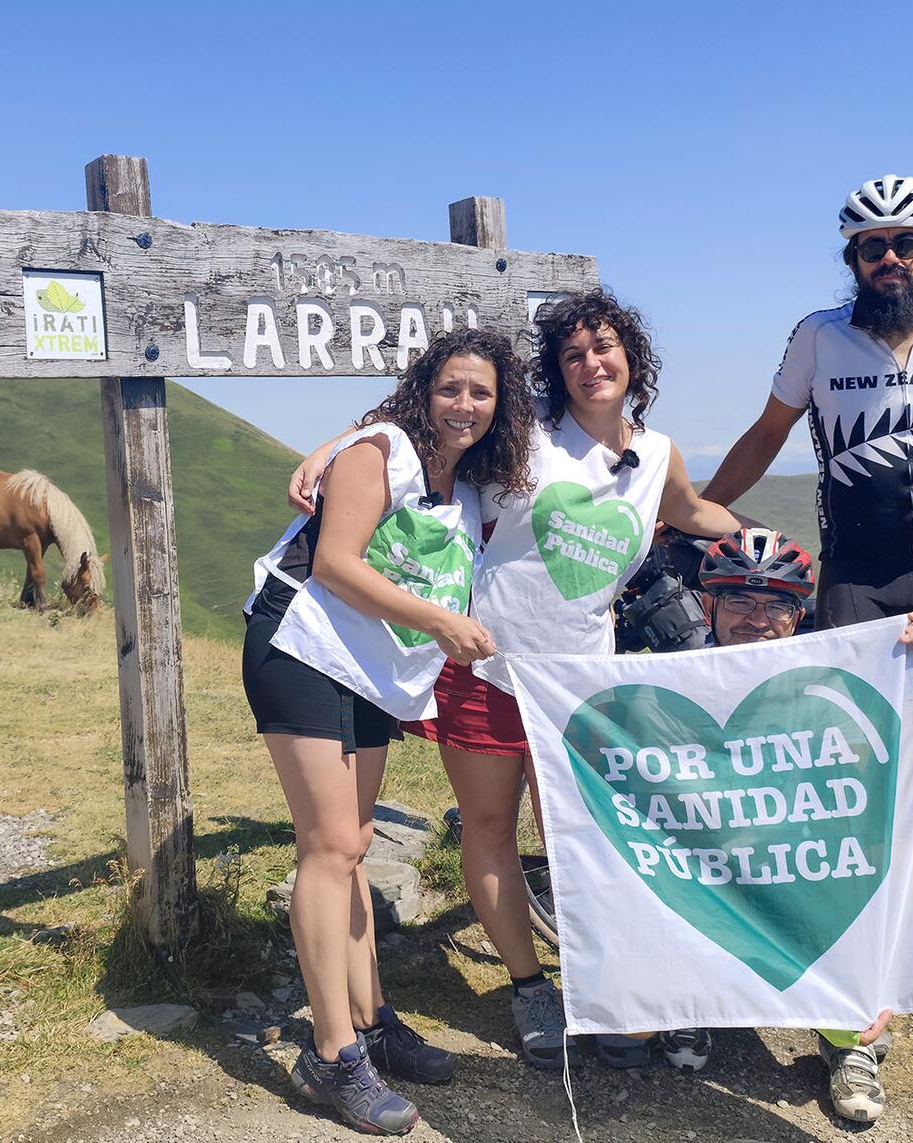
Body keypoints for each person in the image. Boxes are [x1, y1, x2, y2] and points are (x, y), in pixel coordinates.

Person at [290, 288, 741, 1071]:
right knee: (493, 831)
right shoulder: (523, 430)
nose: (590, 363)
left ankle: (611, 989)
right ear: (556, 370)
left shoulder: (658, 453)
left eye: (604, 348)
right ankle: (531, 987)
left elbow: (696, 511)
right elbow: (421, 423)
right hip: (486, 668)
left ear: (632, 357)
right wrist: (333, 447)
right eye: (572, 354)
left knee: (594, 841)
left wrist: (782, 549)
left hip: (586, 688)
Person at [703, 174, 913, 1038]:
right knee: (847, 768)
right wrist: (686, 509)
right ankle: (843, 944)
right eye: (871, 246)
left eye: (905, 243)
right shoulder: (820, 337)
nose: (889, 258)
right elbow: (766, 437)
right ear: (852, 257)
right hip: (858, 574)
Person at [246, 327, 534, 1136]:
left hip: (369, 667)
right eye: (450, 388)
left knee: (356, 844)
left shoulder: (468, 483)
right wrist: (441, 621)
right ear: (423, 389)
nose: (465, 405)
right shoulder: (381, 450)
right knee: (331, 844)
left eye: (481, 393)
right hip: (302, 645)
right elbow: (337, 562)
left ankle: (372, 1022)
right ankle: (332, 1054)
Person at [594, 528, 913, 1123]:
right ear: (708, 605)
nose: (758, 618)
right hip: (708, 855)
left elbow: (880, 754)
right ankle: (691, 1003)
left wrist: (912, 662)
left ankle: (847, 1041)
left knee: (843, 887)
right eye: (739, 601)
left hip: (796, 852)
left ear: (799, 612)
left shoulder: (825, 674)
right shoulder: (666, 676)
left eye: (777, 604)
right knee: (665, 890)